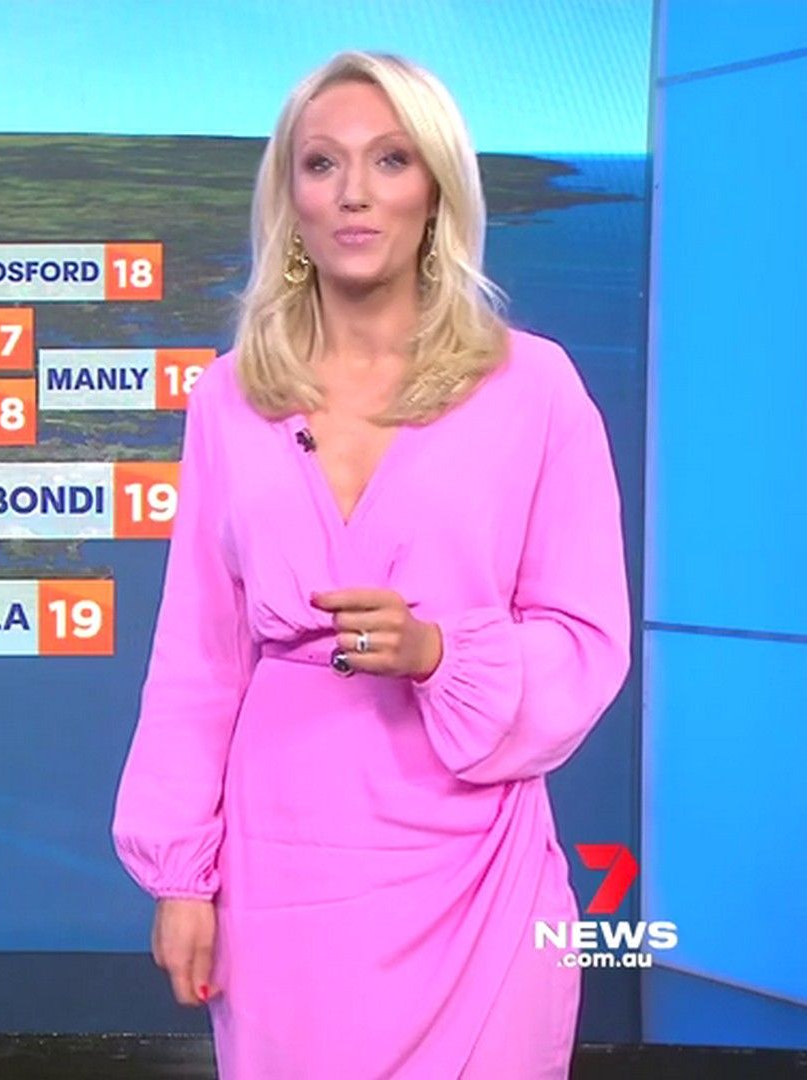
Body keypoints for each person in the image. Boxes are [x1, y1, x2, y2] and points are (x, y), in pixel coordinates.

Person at [111, 50, 631, 1079]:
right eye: (322, 163)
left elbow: (585, 638)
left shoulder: (536, 388)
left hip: (473, 869)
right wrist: (181, 878)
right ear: (291, 197)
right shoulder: (229, 399)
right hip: (282, 869)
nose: (354, 192)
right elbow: (197, 661)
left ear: (436, 190)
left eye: (390, 160)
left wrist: (442, 652)